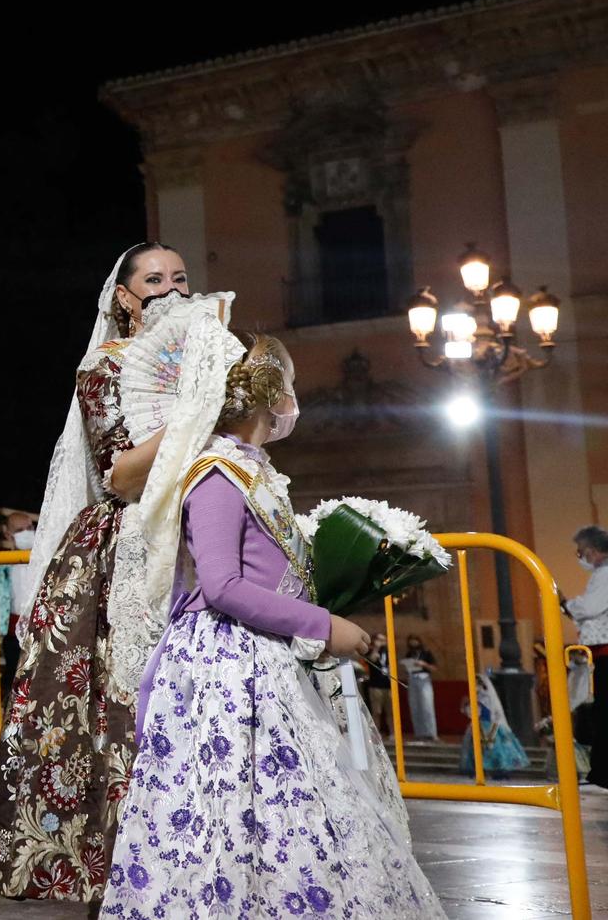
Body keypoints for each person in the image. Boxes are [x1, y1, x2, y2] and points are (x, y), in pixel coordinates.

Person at [99, 332, 442, 915]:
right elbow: (223, 587)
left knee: (288, 806)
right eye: (288, 385)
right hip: (230, 666)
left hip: (267, 655)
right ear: (265, 394)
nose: (293, 400)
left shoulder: (251, 469)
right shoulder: (216, 474)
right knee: (233, 804)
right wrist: (323, 623)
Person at [0, 242, 191, 905]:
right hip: (131, 549)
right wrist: (196, 408)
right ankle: (122, 871)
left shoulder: (207, 365)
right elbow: (120, 470)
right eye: (155, 279)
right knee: (124, 712)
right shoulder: (108, 365)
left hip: (200, 537)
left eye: (182, 277)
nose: (172, 288)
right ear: (125, 297)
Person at [563, 523, 608, 787]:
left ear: (592, 551)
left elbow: (590, 607)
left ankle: (602, 773)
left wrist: (567, 605)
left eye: (581, 552)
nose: (581, 557)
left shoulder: (604, 574)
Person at [0, 511, 37, 687]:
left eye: (29, 528)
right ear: (8, 535)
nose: (27, 533)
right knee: (13, 684)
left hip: (44, 632)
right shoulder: (2, 568)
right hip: (15, 637)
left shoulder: (47, 561)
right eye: (20, 530)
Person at [404, 633, 439, 740]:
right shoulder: (409, 654)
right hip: (412, 678)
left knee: (427, 705)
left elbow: (434, 668)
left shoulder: (426, 653)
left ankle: (432, 733)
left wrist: (424, 664)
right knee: (414, 706)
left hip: (424, 678)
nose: (413, 642)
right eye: (411, 640)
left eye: (415, 640)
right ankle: (419, 733)